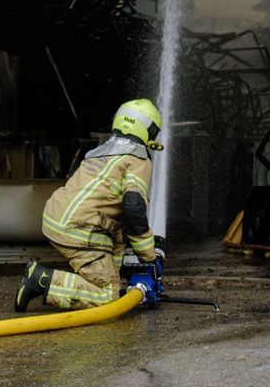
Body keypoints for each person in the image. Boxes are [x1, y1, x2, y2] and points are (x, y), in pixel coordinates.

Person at [15, 98, 165, 312]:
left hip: (56, 218)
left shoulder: (99, 153)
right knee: (108, 295)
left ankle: (59, 280)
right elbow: (133, 206)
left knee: (108, 269)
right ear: (149, 131)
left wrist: (118, 266)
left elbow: (115, 215)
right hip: (79, 229)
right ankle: (42, 280)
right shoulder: (137, 160)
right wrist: (149, 255)